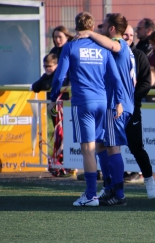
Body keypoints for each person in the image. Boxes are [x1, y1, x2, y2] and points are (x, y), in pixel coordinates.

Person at [48, 11, 124, 207]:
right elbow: (116, 78)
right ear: (92, 28)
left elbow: (59, 77)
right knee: (101, 146)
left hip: (83, 102)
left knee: (88, 149)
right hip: (103, 102)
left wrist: (53, 96)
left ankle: (91, 195)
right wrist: (119, 101)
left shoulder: (71, 47)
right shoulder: (103, 48)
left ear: (76, 27)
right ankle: (109, 187)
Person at [76, 13, 136, 206]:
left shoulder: (118, 43)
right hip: (117, 102)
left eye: (103, 27)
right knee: (102, 145)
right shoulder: (120, 48)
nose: (98, 30)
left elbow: (113, 45)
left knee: (112, 147)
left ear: (111, 29)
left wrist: (89, 34)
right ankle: (109, 187)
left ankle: (119, 195)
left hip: (116, 104)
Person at [121, 25, 155, 198]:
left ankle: (149, 180)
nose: (129, 37)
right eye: (125, 34)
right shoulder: (110, 53)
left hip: (131, 110)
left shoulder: (139, 55)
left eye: (131, 35)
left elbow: (145, 83)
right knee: (109, 148)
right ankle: (111, 186)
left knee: (136, 147)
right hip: (111, 110)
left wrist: (129, 100)